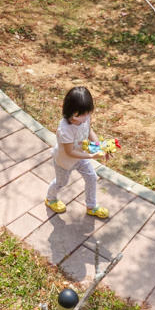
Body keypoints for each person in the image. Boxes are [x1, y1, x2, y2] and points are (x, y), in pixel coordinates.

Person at [45, 86, 110, 219]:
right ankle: (50, 198)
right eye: (84, 114)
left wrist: (99, 147)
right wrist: (92, 155)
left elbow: (89, 131)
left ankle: (91, 206)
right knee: (61, 182)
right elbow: (69, 152)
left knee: (91, 177)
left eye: (88, 113)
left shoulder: (85, 118)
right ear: (73, 113)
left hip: (81, 157)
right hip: (65, 161)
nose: (87, 117)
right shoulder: (65, 129)